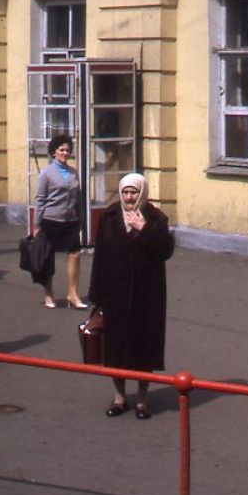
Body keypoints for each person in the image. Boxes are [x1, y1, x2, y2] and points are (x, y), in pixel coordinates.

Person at [87, 172, 174, 420]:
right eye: (125, 192)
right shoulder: (110, 216)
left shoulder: (156, 218)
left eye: (134, 192)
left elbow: (165, 250)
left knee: (143, 347)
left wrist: (143, 229)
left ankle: (143, 400)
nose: (128, 197)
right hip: (115, 293)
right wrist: (96, 295)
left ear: (142, 193)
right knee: (116, 348)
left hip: (147, 294)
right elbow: (100, 255)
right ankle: (119, 397)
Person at [33, 134, 87, 310]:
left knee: (75, 255)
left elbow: (78, 198)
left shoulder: (74, 173)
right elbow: (40, 199)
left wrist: (80, 219)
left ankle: (73, 294)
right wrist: (36, 224)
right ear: (54, 152)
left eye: (67, 150)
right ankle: (49, 293)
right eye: (61, 150)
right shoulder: (46, 173)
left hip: (70, 220)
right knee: (49, 258)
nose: (65, 153)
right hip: (50, 220)